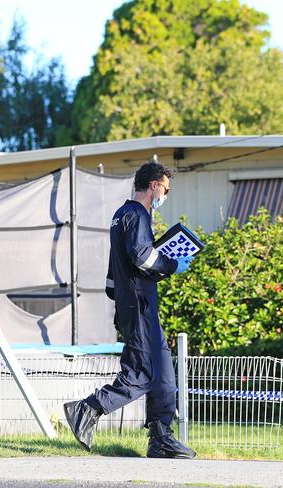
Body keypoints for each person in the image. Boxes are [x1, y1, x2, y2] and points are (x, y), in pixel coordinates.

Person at [64, 161, 195, 459]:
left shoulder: (120, 215)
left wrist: (123, 294)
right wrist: (172, 264)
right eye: (166, 188)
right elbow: (142, 255)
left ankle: (160, 438)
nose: (166, 195)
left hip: (134, 304)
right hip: (139, 305)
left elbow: (115, 271)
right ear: (153, 185)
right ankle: (89, 408)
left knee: (162, 372)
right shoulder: (137, 214)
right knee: (143, 372)